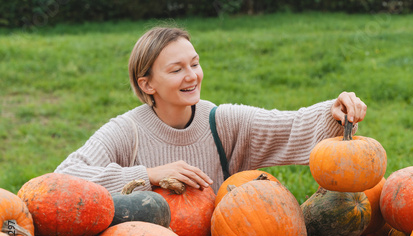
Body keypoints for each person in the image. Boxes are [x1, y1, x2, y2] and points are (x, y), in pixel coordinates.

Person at [54, 25, 367, 194]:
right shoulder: (127, 131)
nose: (192, 76)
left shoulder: (220, 122)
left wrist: (333, 112)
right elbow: (63, 179)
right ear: (147, 84)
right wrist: (149, 175)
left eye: (195, 63)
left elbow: (289, 127)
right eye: (176, 70)